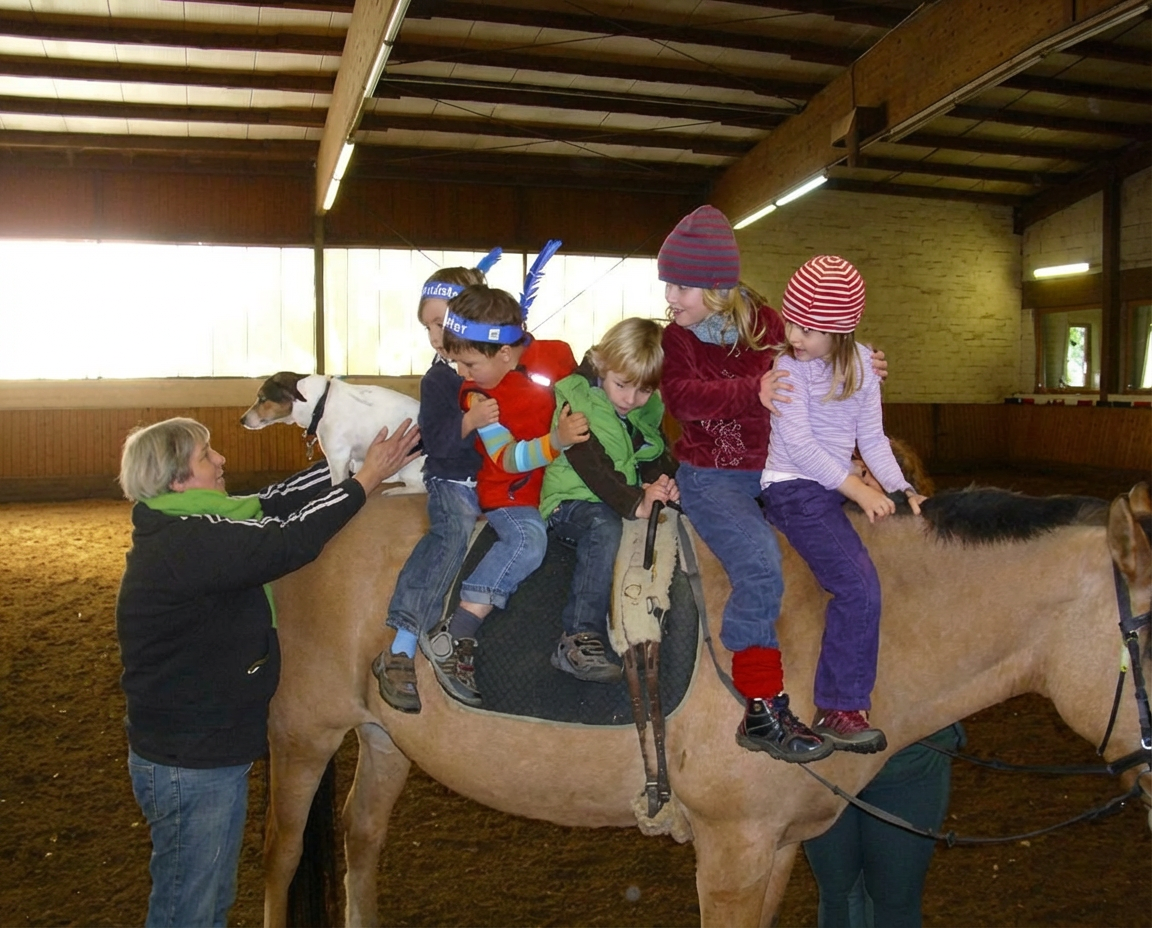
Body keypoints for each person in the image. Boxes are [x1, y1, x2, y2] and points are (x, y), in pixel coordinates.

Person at [115, 414, 420, 928]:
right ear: (177, 479)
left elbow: (274, 501)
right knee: (189, 905)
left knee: (207, 893)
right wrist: (365, 482)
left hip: (198, 752)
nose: (221, 460)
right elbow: (288, 540)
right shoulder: (186, 545)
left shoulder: (187, 519)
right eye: (206, 456)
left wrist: (350, 461)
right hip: (192, 764)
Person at [658, 205, 887, 763]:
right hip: (714, 476)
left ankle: (842, 702)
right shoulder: (679, 340)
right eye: (668, 284)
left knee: (854, 562)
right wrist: (750, 392)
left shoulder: (769, 325)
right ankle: (761, 706)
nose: (671, 297)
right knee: (759, 562)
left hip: (781, 469)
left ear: (717, 286)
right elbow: (681, 397)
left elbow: (820, 348)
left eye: (682, 286)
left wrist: (859, 360)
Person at [759, 255, 928, 756]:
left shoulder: (860, 367)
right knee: (857, 585)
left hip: (834, 482)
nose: (795, 336)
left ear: (841, 331)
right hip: (793, 485)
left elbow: (872, 438)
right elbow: (802, 448)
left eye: (809, 330)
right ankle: (840, 706)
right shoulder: (788, 370)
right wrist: (860, 491)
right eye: (792, 323)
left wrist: (901, 489)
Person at [429, 278, 586, 705]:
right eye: (457, 363)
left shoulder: (556, 355)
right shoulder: (477, 396)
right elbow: (507, 459)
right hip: (511, 495)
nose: (461, 374)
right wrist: (558, 441)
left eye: (468, 363)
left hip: (556, 488)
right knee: (528, 542)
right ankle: (456, 632)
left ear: (503, 352)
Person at [372, 254, 502, 713]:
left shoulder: (496, 370)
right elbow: (441, 444)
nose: (434, 336)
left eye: (440, 323)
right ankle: (402, 645)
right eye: (427, 327)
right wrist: (468, 421)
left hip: (494, 481)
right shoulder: (438, 381)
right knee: (451, 536)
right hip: (452, 480)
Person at [539, 317, 679, 682]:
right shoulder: (575, 396)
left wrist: (666, 483)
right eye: (622, 385)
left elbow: (652, 455)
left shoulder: (645, 409)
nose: (631, 400)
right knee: (603, 526)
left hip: (616, 497)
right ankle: (578, 636)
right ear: (602, 364)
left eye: (645, 391)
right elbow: (592, 465)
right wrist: (635, 503)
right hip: (569, 501)